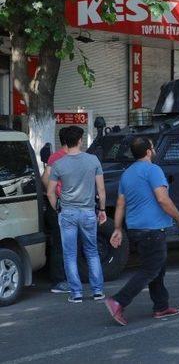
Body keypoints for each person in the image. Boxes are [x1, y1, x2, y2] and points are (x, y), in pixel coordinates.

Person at [105, 137, 179, 326]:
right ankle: (119, 300)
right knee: (150, 269)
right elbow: (162, 199)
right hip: (152, 229)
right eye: (152, 146)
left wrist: (117, 229)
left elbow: (120, 203)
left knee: (157, 267)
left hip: (135, 228)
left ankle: (161, 306)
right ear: (149, 151)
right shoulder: (153, 170)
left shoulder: (127, 174)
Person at [46, 126, 106, 303]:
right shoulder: (93, 160)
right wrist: (101, 210)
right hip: (88, 212)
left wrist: (58, 208)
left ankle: (76, 293)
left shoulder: (58, 164)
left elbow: (50, 192)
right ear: (80, 140)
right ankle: (97, 291)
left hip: (67, 213)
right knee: (92, 251)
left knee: (70, 254)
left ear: (65, 141)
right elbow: (101, 190)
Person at [41, 127, 70, 294]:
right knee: (62, 244)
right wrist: (56, 198)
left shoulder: (56, 157)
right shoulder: (62, 157)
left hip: (61, 206)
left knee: (63, 244)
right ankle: (60, 280)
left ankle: (64, 278)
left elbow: (45, 179)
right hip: (63, 207)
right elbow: (46, 179)